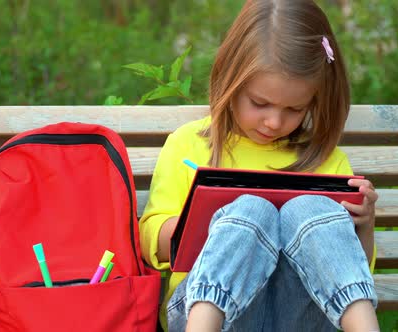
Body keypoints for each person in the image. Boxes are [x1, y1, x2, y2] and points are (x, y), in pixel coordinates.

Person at [139, 0, 380, 331]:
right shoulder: (190, 144)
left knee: (310, 209)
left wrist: (364, 225)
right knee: (251, 212)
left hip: (301, 317)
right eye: (259, 103)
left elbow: (353, 268)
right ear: (230, 79)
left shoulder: (328, 161)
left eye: (294, 109)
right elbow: (150, 237)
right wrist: (216, 225)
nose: (273, 121)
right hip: (209, 312)